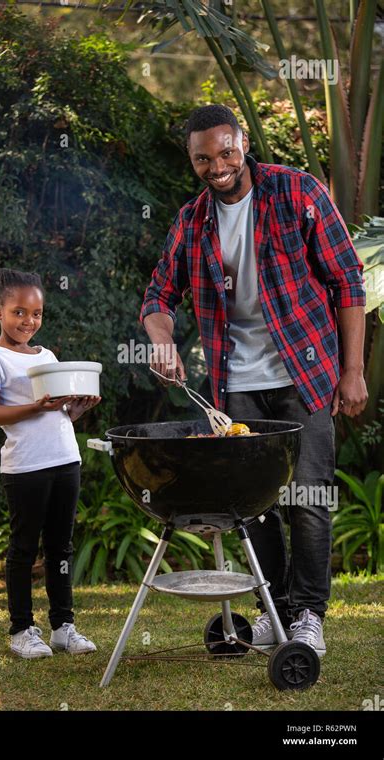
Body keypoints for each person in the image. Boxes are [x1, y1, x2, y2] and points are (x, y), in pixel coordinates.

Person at [141, 105, 368, 658]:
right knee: (256, 504)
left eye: (225, 152)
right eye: (203, 158)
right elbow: (157, 297)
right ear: (192, 160)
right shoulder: (192, 222)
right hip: (234, 385)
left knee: (308, 499)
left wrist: (353, 370)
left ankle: (309, 614)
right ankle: (275, 611)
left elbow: (348, 281)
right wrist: (162, 338)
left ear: (243, 144)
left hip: (305, 373)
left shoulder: (297, 192)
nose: (217, 165)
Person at [0, 268, 101, 659]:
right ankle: (21, 630)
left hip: (65, 459)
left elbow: (57, 413)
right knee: (24, 549)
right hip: (25, 466)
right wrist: (36, 405)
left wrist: (74, 409)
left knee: (61, 548)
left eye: (37, 313)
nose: (29, 321)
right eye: (19, 312)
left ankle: (64, 627)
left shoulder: (46, 356)